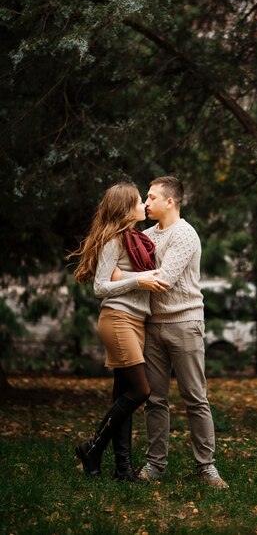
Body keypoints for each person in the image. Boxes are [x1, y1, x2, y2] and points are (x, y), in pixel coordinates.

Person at [113, 176, 229, 488]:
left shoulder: (185, 234)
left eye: (151, 198)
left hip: (185, 323)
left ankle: (207, 467)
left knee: (195, 397)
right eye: (146, 198)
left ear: (170, 202)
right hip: (152, 325)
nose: (145, 203)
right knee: (155, 400)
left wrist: (120, 274)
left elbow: (164, 279)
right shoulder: (145, 235)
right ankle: (155, 466)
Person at [67, 182, 169, 483]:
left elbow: (122, 277)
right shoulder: (114, 240)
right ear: (126, 209)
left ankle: (123, 469)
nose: (144, 205)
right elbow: (100, 287)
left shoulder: (134, 239)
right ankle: (92, 448)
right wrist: (138, 281)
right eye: (140, 201)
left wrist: (131, 277)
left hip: (136, 320)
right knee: (141, 391)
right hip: (118, 319)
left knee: (123, 393)